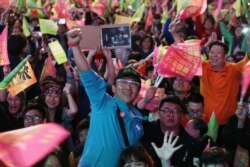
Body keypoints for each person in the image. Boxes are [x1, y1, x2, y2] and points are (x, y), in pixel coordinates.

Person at [67, 29, 144, 167]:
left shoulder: (138, 121)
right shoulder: (102, 102)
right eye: (123, 83)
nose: (128, 87)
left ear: (138, 91)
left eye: (133, 84)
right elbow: (87, 75)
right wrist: (75, 47)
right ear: (113, 88)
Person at [200, 39, 250, 142]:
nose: (214, 55)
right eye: (212, 52)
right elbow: (187, 57)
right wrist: (174, 34)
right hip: (205, 121)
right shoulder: (203, 67)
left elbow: (247, 60)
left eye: (218, 53)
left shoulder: (233, 70)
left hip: (228, 123)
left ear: (225, 56)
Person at [141, 96, 203, 166]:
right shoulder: (145, 130)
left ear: (182, 116)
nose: (170, 114)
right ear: (159, 113)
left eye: (175, 111)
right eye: (166, 110)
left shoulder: (190, 143)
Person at [222, 99, 250, 165]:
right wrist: (241, 121)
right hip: (234, 160)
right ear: (245, 104)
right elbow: (227, 141)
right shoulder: (234, 119)